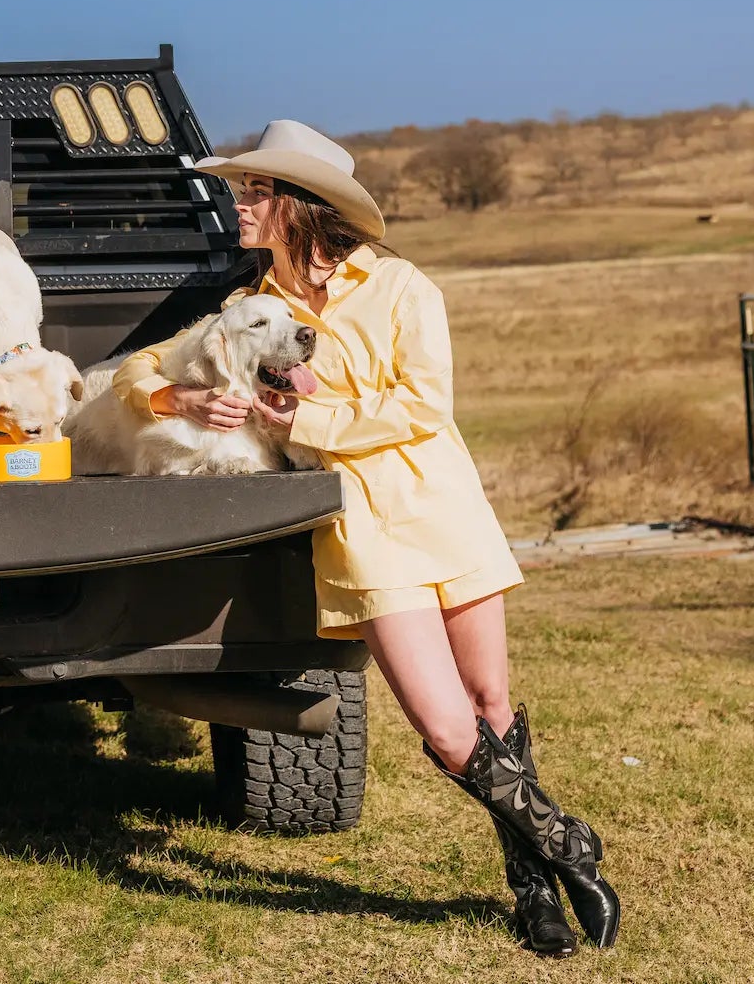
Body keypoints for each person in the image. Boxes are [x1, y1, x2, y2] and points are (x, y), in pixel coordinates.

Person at [113, 121, 620, 957]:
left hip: (442, 505)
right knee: (452, 732)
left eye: (254, 191)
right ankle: (569, 845)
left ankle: (533, 896)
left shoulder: (402, 287)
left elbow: (424, 405)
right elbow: (140, 371)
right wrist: (182, 404)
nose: (238, 205)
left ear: (299, 205)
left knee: (494, 705)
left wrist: (307, 416)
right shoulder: (248, 309)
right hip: (362, 529)